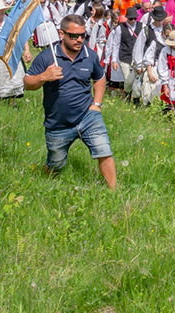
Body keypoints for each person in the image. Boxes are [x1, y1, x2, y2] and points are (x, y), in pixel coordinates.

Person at [24, 14, 116, 189]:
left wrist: (96, 104)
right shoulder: (47, 57)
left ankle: (114, 192)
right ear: (62, 34)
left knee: (103, 150)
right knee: (56, 165)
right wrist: (44, 76)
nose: (79, 40)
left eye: (83, 35)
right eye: (74, 36)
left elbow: (100, 78)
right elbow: (27, 83)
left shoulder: (90, 55)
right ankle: (43, 184)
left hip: (88, 116)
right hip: (58, 122)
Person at [107, 7, 141, 93]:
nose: (133, 20)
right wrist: (114, 60)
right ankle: (127, 94)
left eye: (135, 18)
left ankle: (136, 98)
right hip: (125, 57)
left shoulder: (142, 26)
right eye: (131, 19)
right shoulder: (120, 28)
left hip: (138, 58)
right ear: (127, 18)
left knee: (137, 79)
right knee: (128, 79)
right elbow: (116, 45)